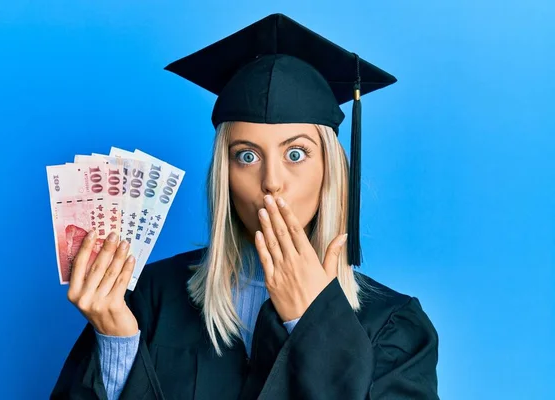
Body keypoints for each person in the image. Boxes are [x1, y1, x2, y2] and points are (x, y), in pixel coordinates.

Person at [51, 13, 440, 400]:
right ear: (224, 174)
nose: (272, 181)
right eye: (247, 156)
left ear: (331, 171)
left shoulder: (395, 327)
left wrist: (314, 324)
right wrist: (117, 340)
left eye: (296, 153)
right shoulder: (150, 298)